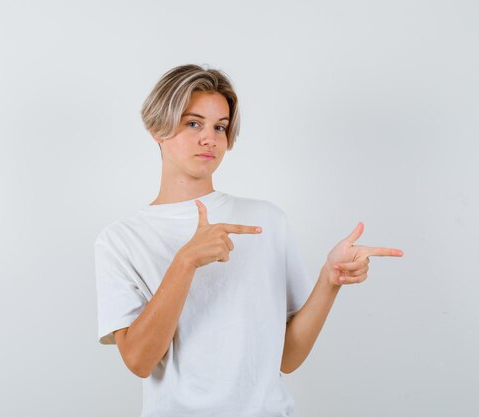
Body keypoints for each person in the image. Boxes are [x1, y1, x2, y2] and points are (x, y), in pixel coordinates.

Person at [94, 64, 404, 417]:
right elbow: (138, 361)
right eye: (193, 123)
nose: (209, 138)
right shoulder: (120, 240)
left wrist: (329, 280)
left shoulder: (265, 220)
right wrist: (185, 262)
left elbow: (287, 357)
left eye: (220, 127)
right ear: (156, 129)